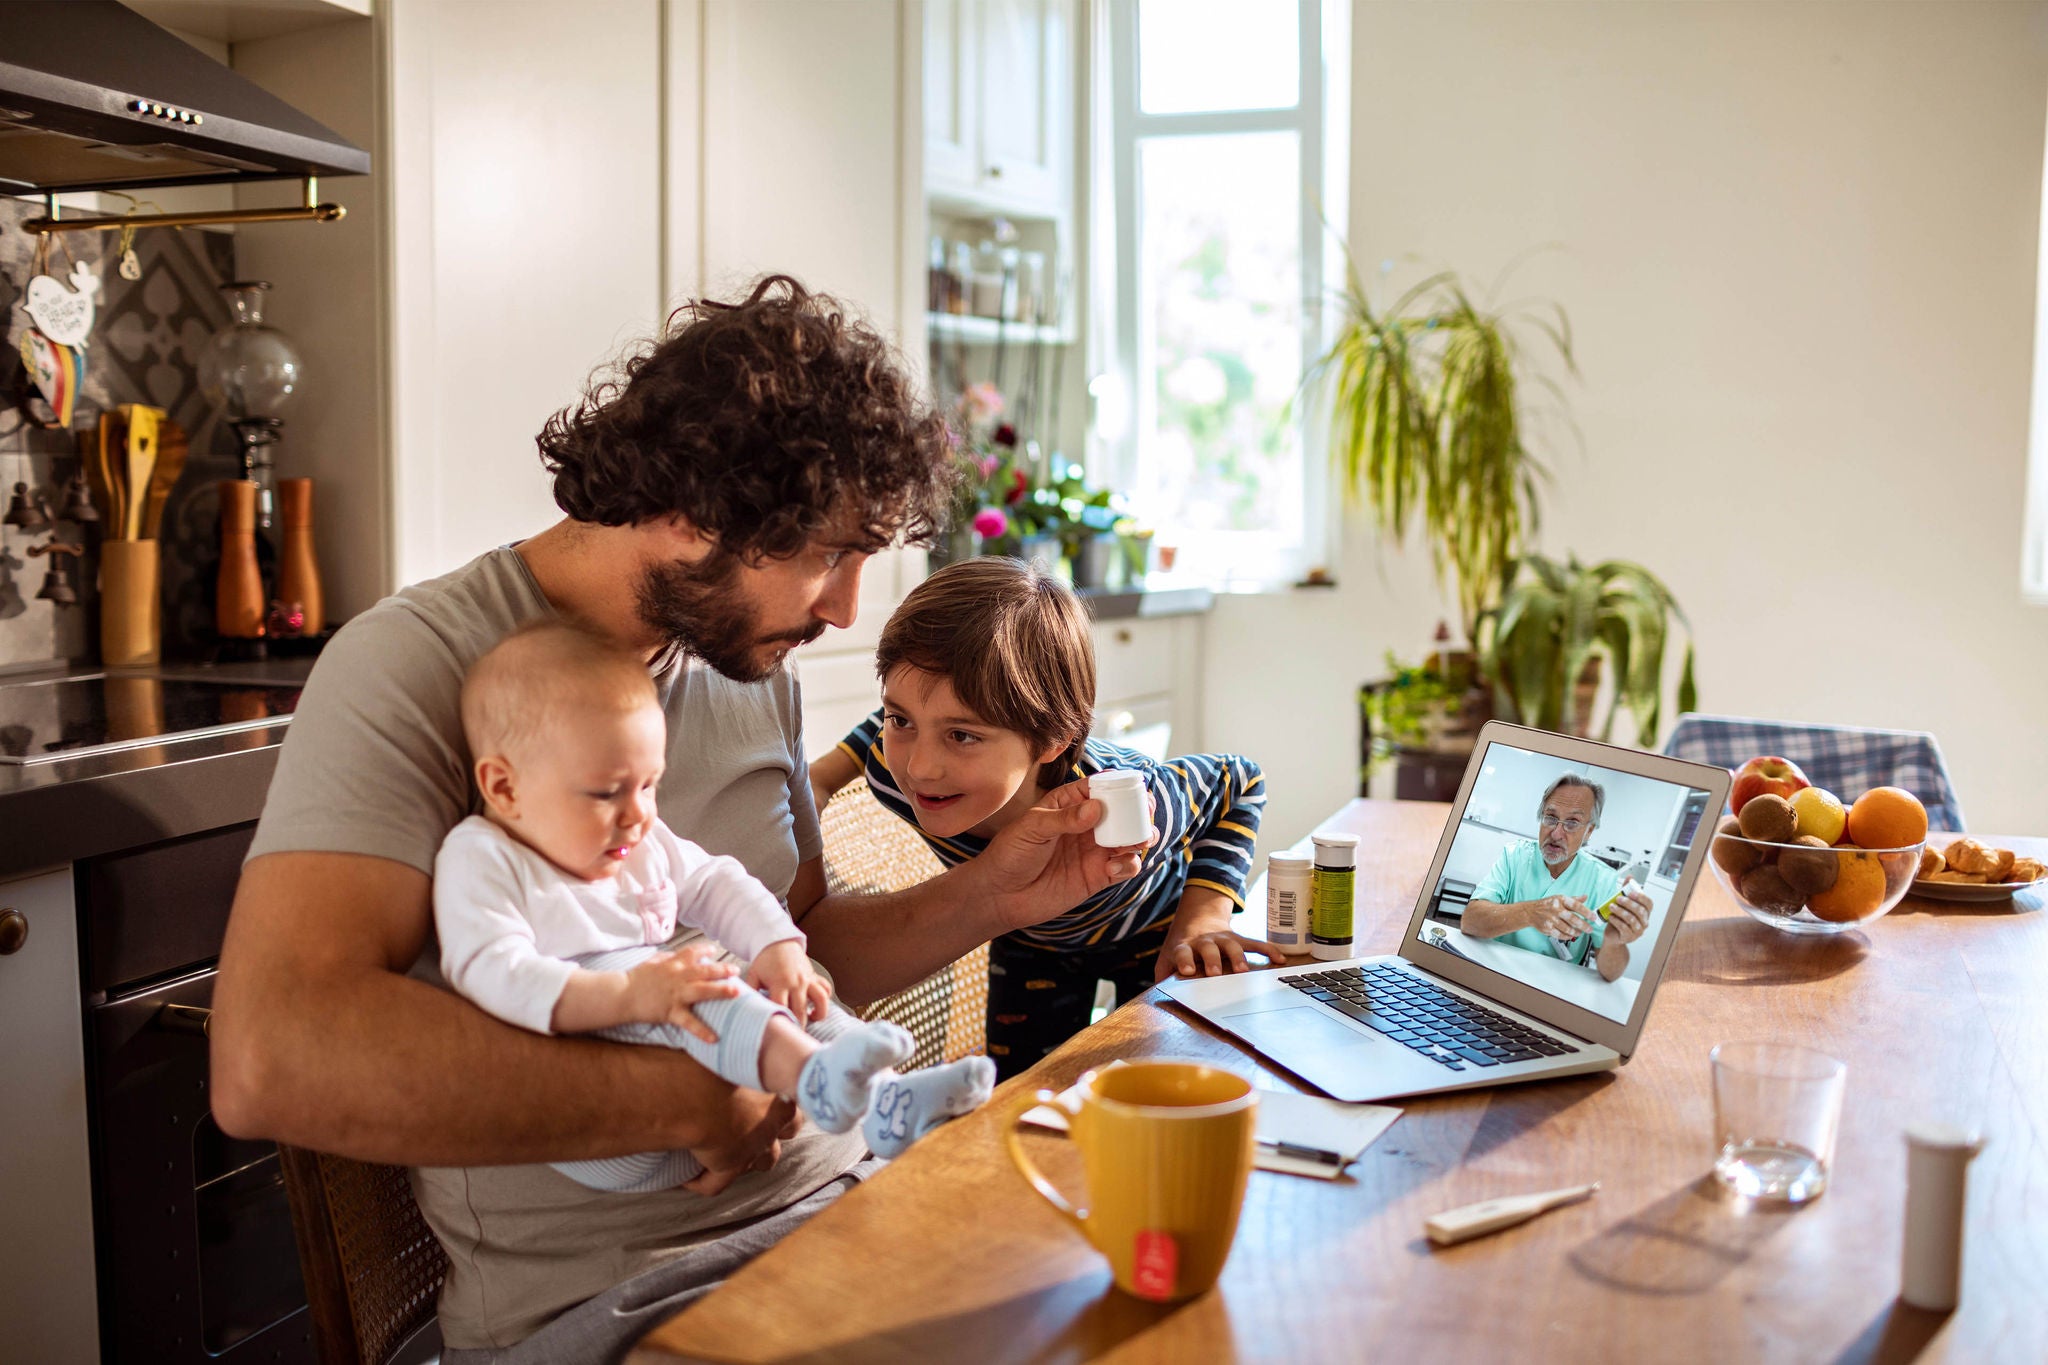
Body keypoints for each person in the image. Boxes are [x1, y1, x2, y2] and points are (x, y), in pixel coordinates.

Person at [210, 276, 1143, 1361]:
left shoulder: (744, 664)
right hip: (628, 1300)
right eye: (824, 555)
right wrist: (685, 1103)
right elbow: (274, 1057)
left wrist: (999, 891)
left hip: (846, 1204)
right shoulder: (415, 666)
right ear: (698, 508)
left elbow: (801, 949)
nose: (845, 606)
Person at [437, 621, 995, 1193]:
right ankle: (813, 1075)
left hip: (704, 1109)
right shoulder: (483, 856)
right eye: (607, 792)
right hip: (612, 1129)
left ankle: (887, 1100)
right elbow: (486, 968)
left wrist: (776, 946)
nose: (637, 814)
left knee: (786, 992)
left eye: (648, 785)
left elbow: (713, 880)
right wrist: (632, 994)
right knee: (701, 982)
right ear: (504, 789)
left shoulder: (637, 839)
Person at [809, 556, 1280, 1080]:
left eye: (962, 735)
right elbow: (889, 717)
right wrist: (824, 775)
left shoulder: (1123, 804)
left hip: (1153, 931)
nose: (919, 767)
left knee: (1160, 1083)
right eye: (904, 723)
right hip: (1030, 942)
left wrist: (1202, 920)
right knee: (1023, 1096)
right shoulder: (891, 771)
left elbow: (1239, 780)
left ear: (1053, 739)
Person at [1459, 774, 1652, 982]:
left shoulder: (1602, 880)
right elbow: (1470, 921)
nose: (1557, 833)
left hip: (1554, 989)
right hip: (1496, 972)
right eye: (1550, 818)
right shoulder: (1515, 856)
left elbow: (1611, 973)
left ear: (1589, 832)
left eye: (1572, 823)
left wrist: (1614, 942)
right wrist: (1530, 912)